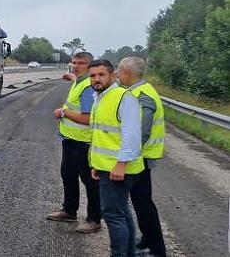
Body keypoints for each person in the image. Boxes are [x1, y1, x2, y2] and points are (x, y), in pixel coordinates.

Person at [88, 59, 144, 257]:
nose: (96, 79)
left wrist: (121, 163)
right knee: (121, 213)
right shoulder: (100, 98)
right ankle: (129, 254)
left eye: (101, 75)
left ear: (113, 75)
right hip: (107, 167)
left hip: (118, 168)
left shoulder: (123, 97)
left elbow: (132, 135)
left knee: (113, 215)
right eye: (93, 76)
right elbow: (103, 136)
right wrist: (97, 165)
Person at [47, 52, 102, 233]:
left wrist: (63, 113)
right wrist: (71, 77)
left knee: (89, 181)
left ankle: (94, 219)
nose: (76, 66)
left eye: (81, 63)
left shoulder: (87, 87)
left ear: (90, 65)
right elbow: (76, 82)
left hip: (83, 142)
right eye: (74, 62)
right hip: (70, 139)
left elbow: (87, 118)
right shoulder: (79, 81)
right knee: (68, 175)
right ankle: (69, 211)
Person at [117, 57, 166, 257]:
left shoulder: (142, 96)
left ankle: (156, 249)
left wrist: (125, 158)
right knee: (140, 202)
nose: (117, 75)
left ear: (127, 73)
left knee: (143, 203)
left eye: (119, 72)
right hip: (140, 156)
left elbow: (141, 132)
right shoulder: (137, 91)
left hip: (141, 158)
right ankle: (148, 238)